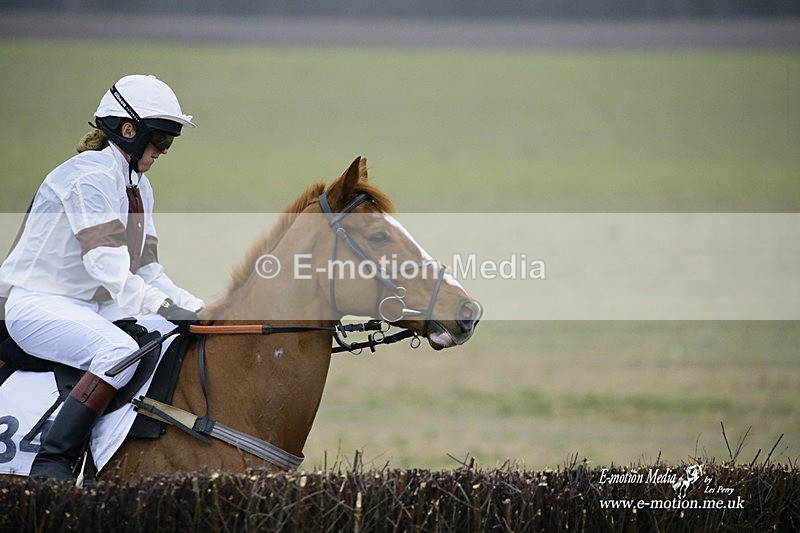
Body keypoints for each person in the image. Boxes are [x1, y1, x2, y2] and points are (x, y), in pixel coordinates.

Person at [0, 74, 204, 480]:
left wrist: (203, 309)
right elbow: (108, 267)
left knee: (167, 332)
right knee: (119, 352)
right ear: (128, 131)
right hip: (36, 305)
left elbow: (147, 271)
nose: (162, 151)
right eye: (160, 140)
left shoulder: (139, 188)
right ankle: (53, 460)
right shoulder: (88, 176)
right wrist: (164, 305)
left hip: (89, 305)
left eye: (169, 143)